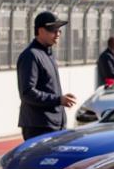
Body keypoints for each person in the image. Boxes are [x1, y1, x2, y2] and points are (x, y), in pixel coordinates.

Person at [17, 11, 75, 141]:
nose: (58, 34)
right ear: (41, 31)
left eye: (59, 30)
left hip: (53, 124)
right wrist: (58, 100)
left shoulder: (47, 54)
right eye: (53, 30)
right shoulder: (31, 56)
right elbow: (27, 93)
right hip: (39, 126)